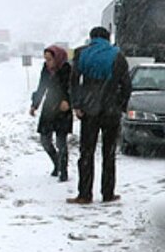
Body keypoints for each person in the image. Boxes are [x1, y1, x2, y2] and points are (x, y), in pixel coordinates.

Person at [68, 26, 132, 204]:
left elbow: (74, 82)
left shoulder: (82, 54)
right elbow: (126, 85)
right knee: (109, 153)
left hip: (89, 110)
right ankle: (108, 193)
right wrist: (121, 105)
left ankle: (84, 194)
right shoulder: (117, 56)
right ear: (107, 38)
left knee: (86, 153)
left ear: (91, 38)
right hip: (111, 111)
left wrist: (77, 105)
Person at [30, 45, 73, 181]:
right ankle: (57, 163)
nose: (48, 62)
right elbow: (41, 87)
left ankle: (63, 170)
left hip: (63, 108)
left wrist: (68, 101)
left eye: (50, 59)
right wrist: (34, 105)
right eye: (46, 59)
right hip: (49, 108)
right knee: (45, 140)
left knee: (61, 142)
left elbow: (73, 88)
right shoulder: (46, 70)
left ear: (57, 58)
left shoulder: (67, 69)